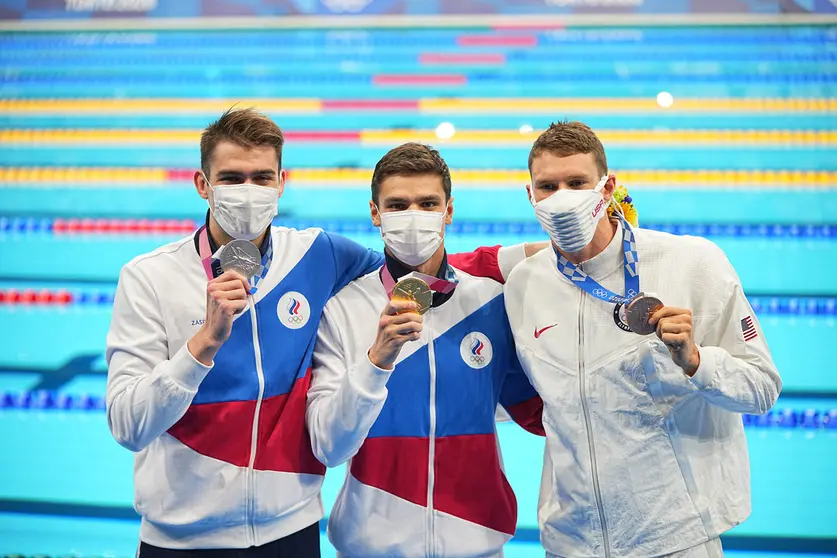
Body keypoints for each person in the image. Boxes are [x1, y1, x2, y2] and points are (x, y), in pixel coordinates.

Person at [105, 107, 545, 556]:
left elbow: (402, 267)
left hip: (291, 532)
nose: (248, 191)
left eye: (261, 177)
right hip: (180, 538)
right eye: (232, 178)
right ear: (203, 184)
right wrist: (202, 346)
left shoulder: (316, 254)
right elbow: (127, 426)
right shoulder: (150, 278)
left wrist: (517, 268)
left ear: (281, 181)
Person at [504, 121, 782, 558]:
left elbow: (762, 387)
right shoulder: (524, 285)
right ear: (530, 195)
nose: (562, 198)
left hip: (675, 536)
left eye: (577, 182)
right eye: (548, 186)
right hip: (570, 541)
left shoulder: (692, 262)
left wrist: (695, 361)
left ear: (607, 187)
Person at [305, 142, 545, 558]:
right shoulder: (342, 308)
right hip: (371, 547)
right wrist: (376, 360)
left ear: (448, 211)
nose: (413, 216)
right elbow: (328, 446)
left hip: (478, 542)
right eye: (397, 205)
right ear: (375, 213)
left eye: (427, 203)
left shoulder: (491, 301)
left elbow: (542, 414)